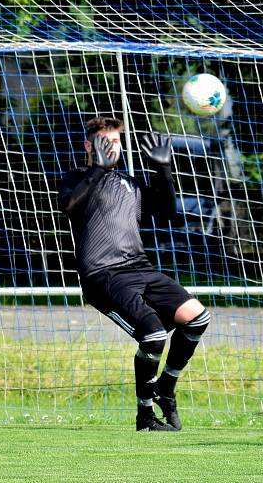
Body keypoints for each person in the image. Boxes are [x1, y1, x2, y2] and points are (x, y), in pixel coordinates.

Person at [58, 117, 210, 431]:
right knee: (153, 335)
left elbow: (168, 213)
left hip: (139, 268)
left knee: (197, 317)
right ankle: (145, 417)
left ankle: (165, 389)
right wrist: (98, 168)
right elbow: (69, 206)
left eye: (115, 142)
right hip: (103, 275)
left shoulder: (130, 182)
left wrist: (163, 169)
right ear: (89, 145)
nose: (112, 147)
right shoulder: (77, 178)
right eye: (104, 142)